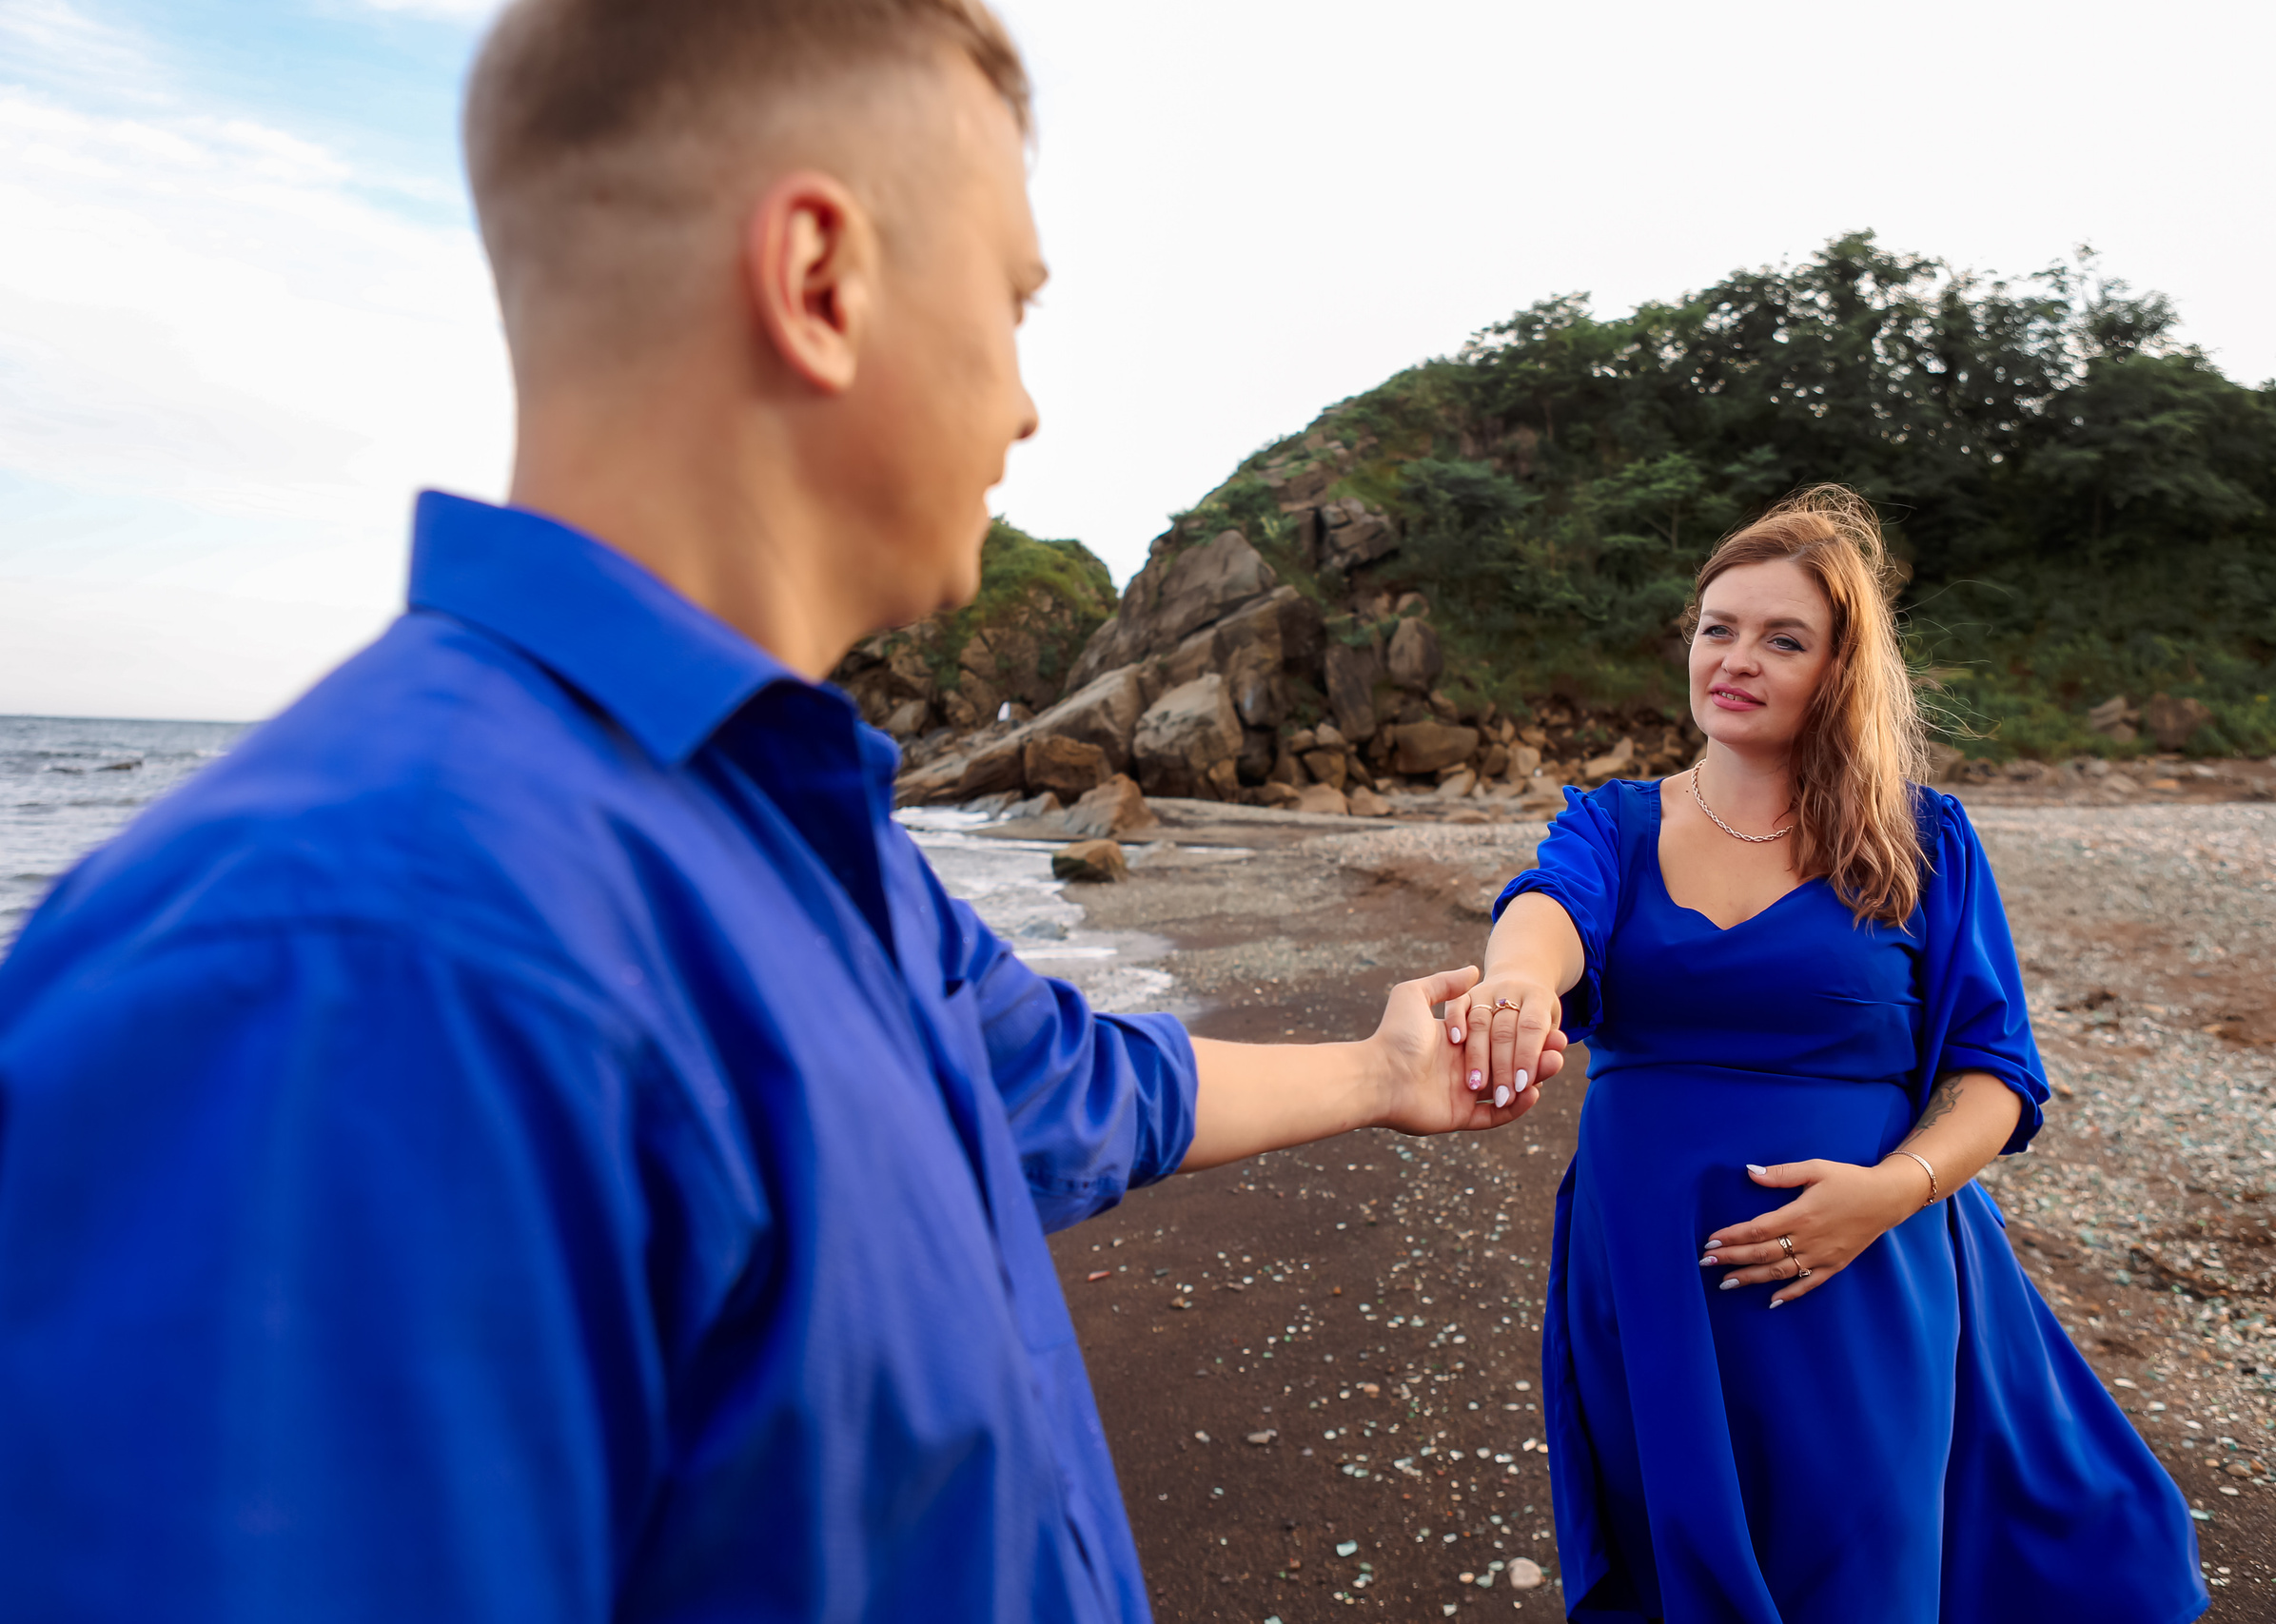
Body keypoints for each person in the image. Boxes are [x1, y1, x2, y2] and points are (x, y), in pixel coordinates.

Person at [0, 3, 1563, 1619]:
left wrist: (1387, 1068)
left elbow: (1071, 1087)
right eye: (1014, 302)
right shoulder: (347, 966)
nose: (1028, 406)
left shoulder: (796, 834)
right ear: (822, 281)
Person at [1463, 487, 2207, 1624]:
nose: (1737, 658)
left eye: (1783, 638)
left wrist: (1883, 1194)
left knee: (1859, 1574)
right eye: (1718, 627)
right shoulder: (1611, 826)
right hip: (1652, 1272)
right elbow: (1547, 910)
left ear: (1839, 669)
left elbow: (1992, 1074)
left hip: (1860, 1269)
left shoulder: (1920, 842)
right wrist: (1516, 978)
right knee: (1673, 1569)